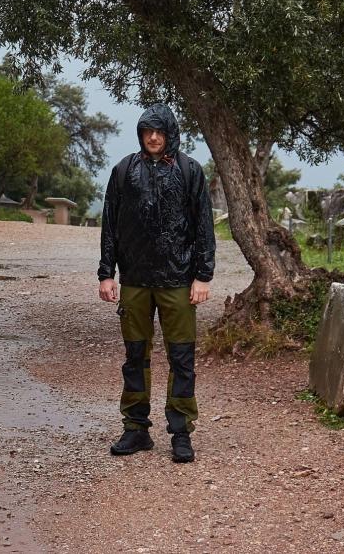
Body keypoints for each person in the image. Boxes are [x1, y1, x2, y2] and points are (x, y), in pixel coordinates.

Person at [98, 103, 215, 463]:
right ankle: (135, 429)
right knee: (135, 357)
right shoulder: (123, 171)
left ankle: (181, 432)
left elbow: (203, 227)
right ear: (140, 134)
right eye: (147, 131)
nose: (153, 137)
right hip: (134, 281)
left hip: (178, 281)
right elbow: (110, 225)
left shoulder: (190, 171)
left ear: (170, 134)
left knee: (182, 358)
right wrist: (106, 273)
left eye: (159, 131)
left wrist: (202, 275)